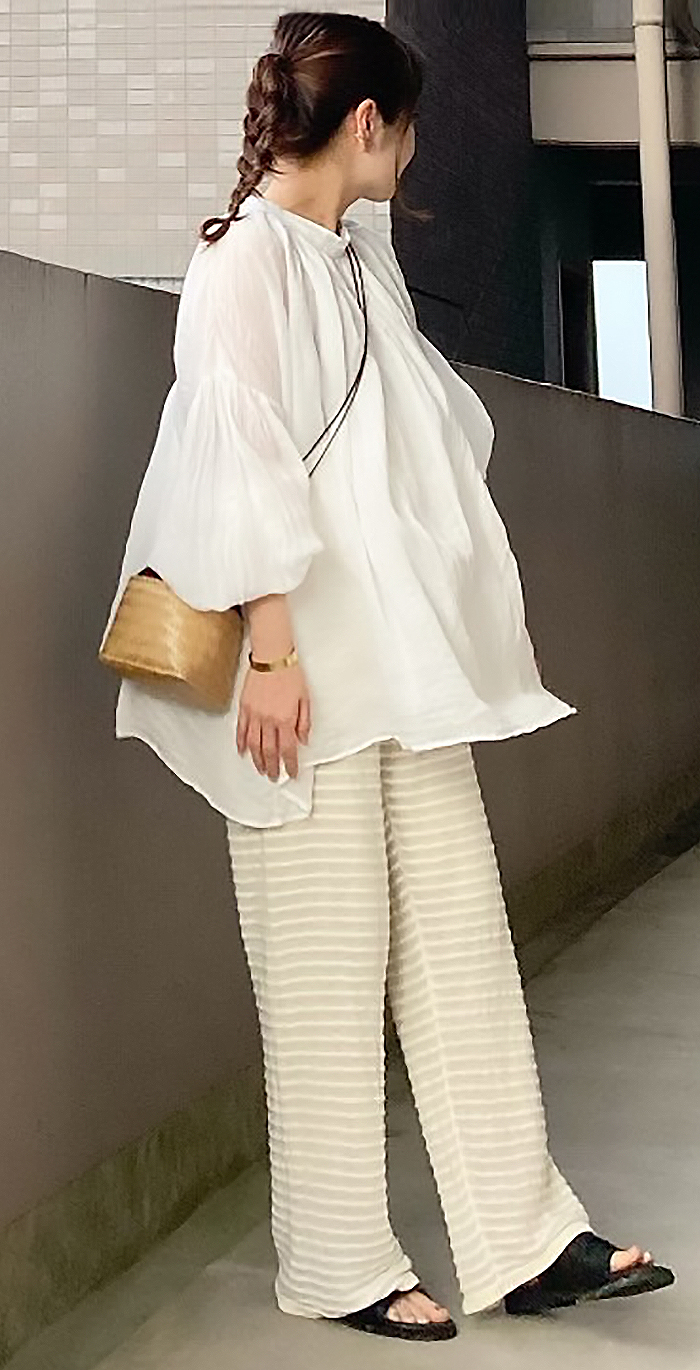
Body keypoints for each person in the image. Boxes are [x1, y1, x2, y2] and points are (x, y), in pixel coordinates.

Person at [103, 8, 674, 1343]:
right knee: (322, 961)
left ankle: (524, 1237)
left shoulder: (361, 264)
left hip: (398, 667)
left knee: (461, 938)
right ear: (368, 124)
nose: (410, 158)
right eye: (405, 132)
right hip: (296, 674)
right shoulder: (241, 263)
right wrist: (272, 652)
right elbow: (235, 459)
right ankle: (337, 1260)